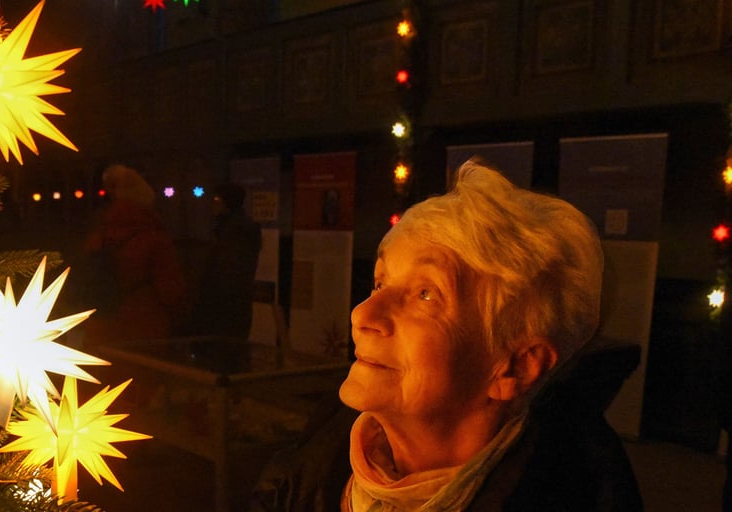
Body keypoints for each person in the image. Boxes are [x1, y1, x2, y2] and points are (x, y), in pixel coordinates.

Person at [334, 158, 643, 510]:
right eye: (380, 282)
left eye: (426, 294)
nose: (362, 314)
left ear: (516, 367)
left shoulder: (572, 494)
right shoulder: (316, 465)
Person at [76, 163, 188, 346]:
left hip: (100, 329)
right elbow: (172, 292)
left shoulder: (99, 236)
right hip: (143, 333)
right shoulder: (155, 239)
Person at [190, 182, 262, 340]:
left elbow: (228, 274)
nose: (212, 206)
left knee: (223, 354)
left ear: (227, 204)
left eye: (216, 201)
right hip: (235, 308)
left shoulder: (232, 233)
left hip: (223, 309)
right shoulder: (236, 230)